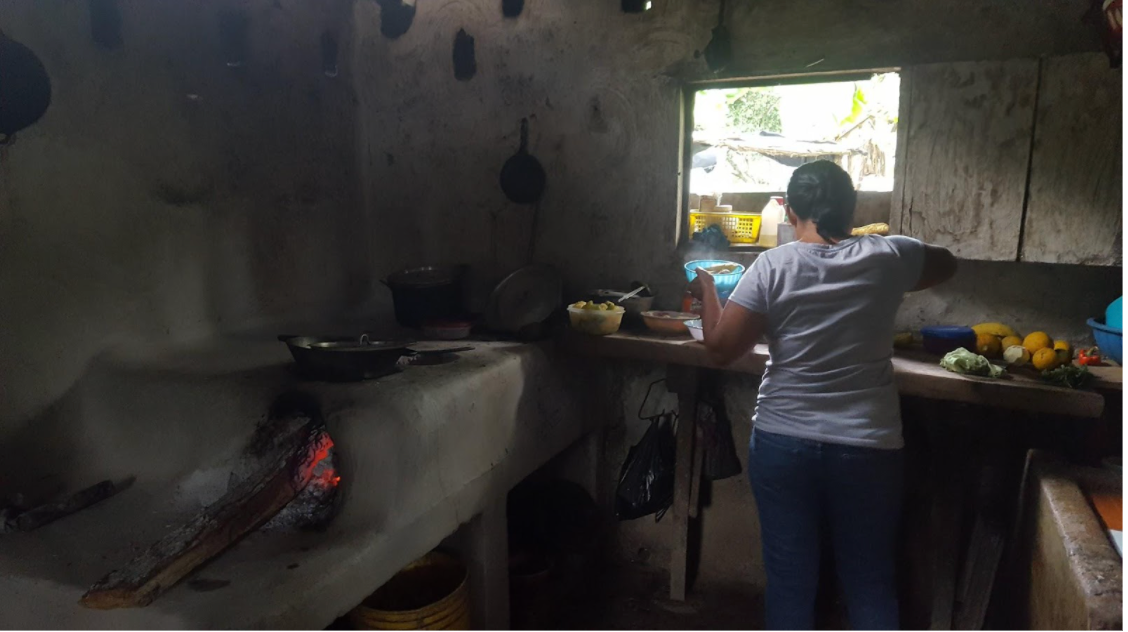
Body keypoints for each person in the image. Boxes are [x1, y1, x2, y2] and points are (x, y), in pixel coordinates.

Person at [690, 160, 957, 630]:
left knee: (791, 583)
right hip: (869, 446)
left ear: (791, 212)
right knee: (871, 582)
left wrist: (708, 289)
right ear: (852, 209)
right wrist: (891, 258)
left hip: (783, 441)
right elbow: (946, 262)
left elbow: (719, 348)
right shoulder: (889, 255)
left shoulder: (772, 265)